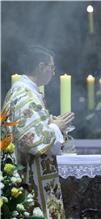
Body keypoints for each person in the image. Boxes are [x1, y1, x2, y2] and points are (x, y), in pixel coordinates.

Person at [2, 45, 75, 218]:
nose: (53, 72)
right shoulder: (25, 95)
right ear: (41, 67)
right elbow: (31, 140)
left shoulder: (26, 91)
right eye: (52, 68)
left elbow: (29, 126)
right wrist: (57, 127)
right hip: (28, 175)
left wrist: (50, 122)